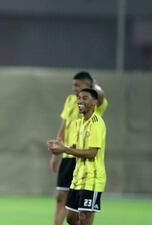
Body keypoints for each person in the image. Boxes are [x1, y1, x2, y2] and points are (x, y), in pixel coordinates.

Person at [49, 71, 108, 225]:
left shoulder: (97, 116)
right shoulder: (74, 112)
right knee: (68, 210)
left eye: (78, 85)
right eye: (79, 98)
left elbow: (100, 96)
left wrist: (94, 86)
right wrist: (58, 149)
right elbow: (64, 127)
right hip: (72, 162)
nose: (75, 90)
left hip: (91, 172)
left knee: (84, 213)